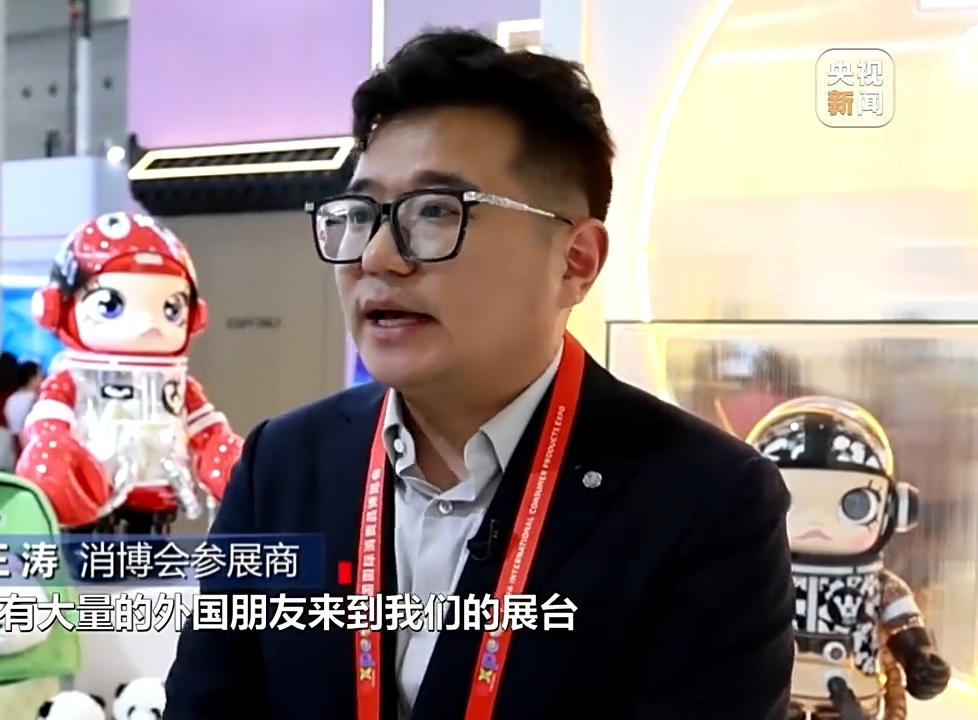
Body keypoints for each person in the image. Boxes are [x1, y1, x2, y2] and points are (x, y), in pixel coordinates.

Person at [165, 29, 794, 719]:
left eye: (436, 212)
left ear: (576, 261)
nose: (377, 257)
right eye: (362, 214)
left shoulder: (703, 501)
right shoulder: (284, 466)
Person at [4, 360, 42, 440]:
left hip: (13, 442)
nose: (42, 379)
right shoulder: (37, 400)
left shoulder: (10, 399)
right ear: (32, 378)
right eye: (39, 376)